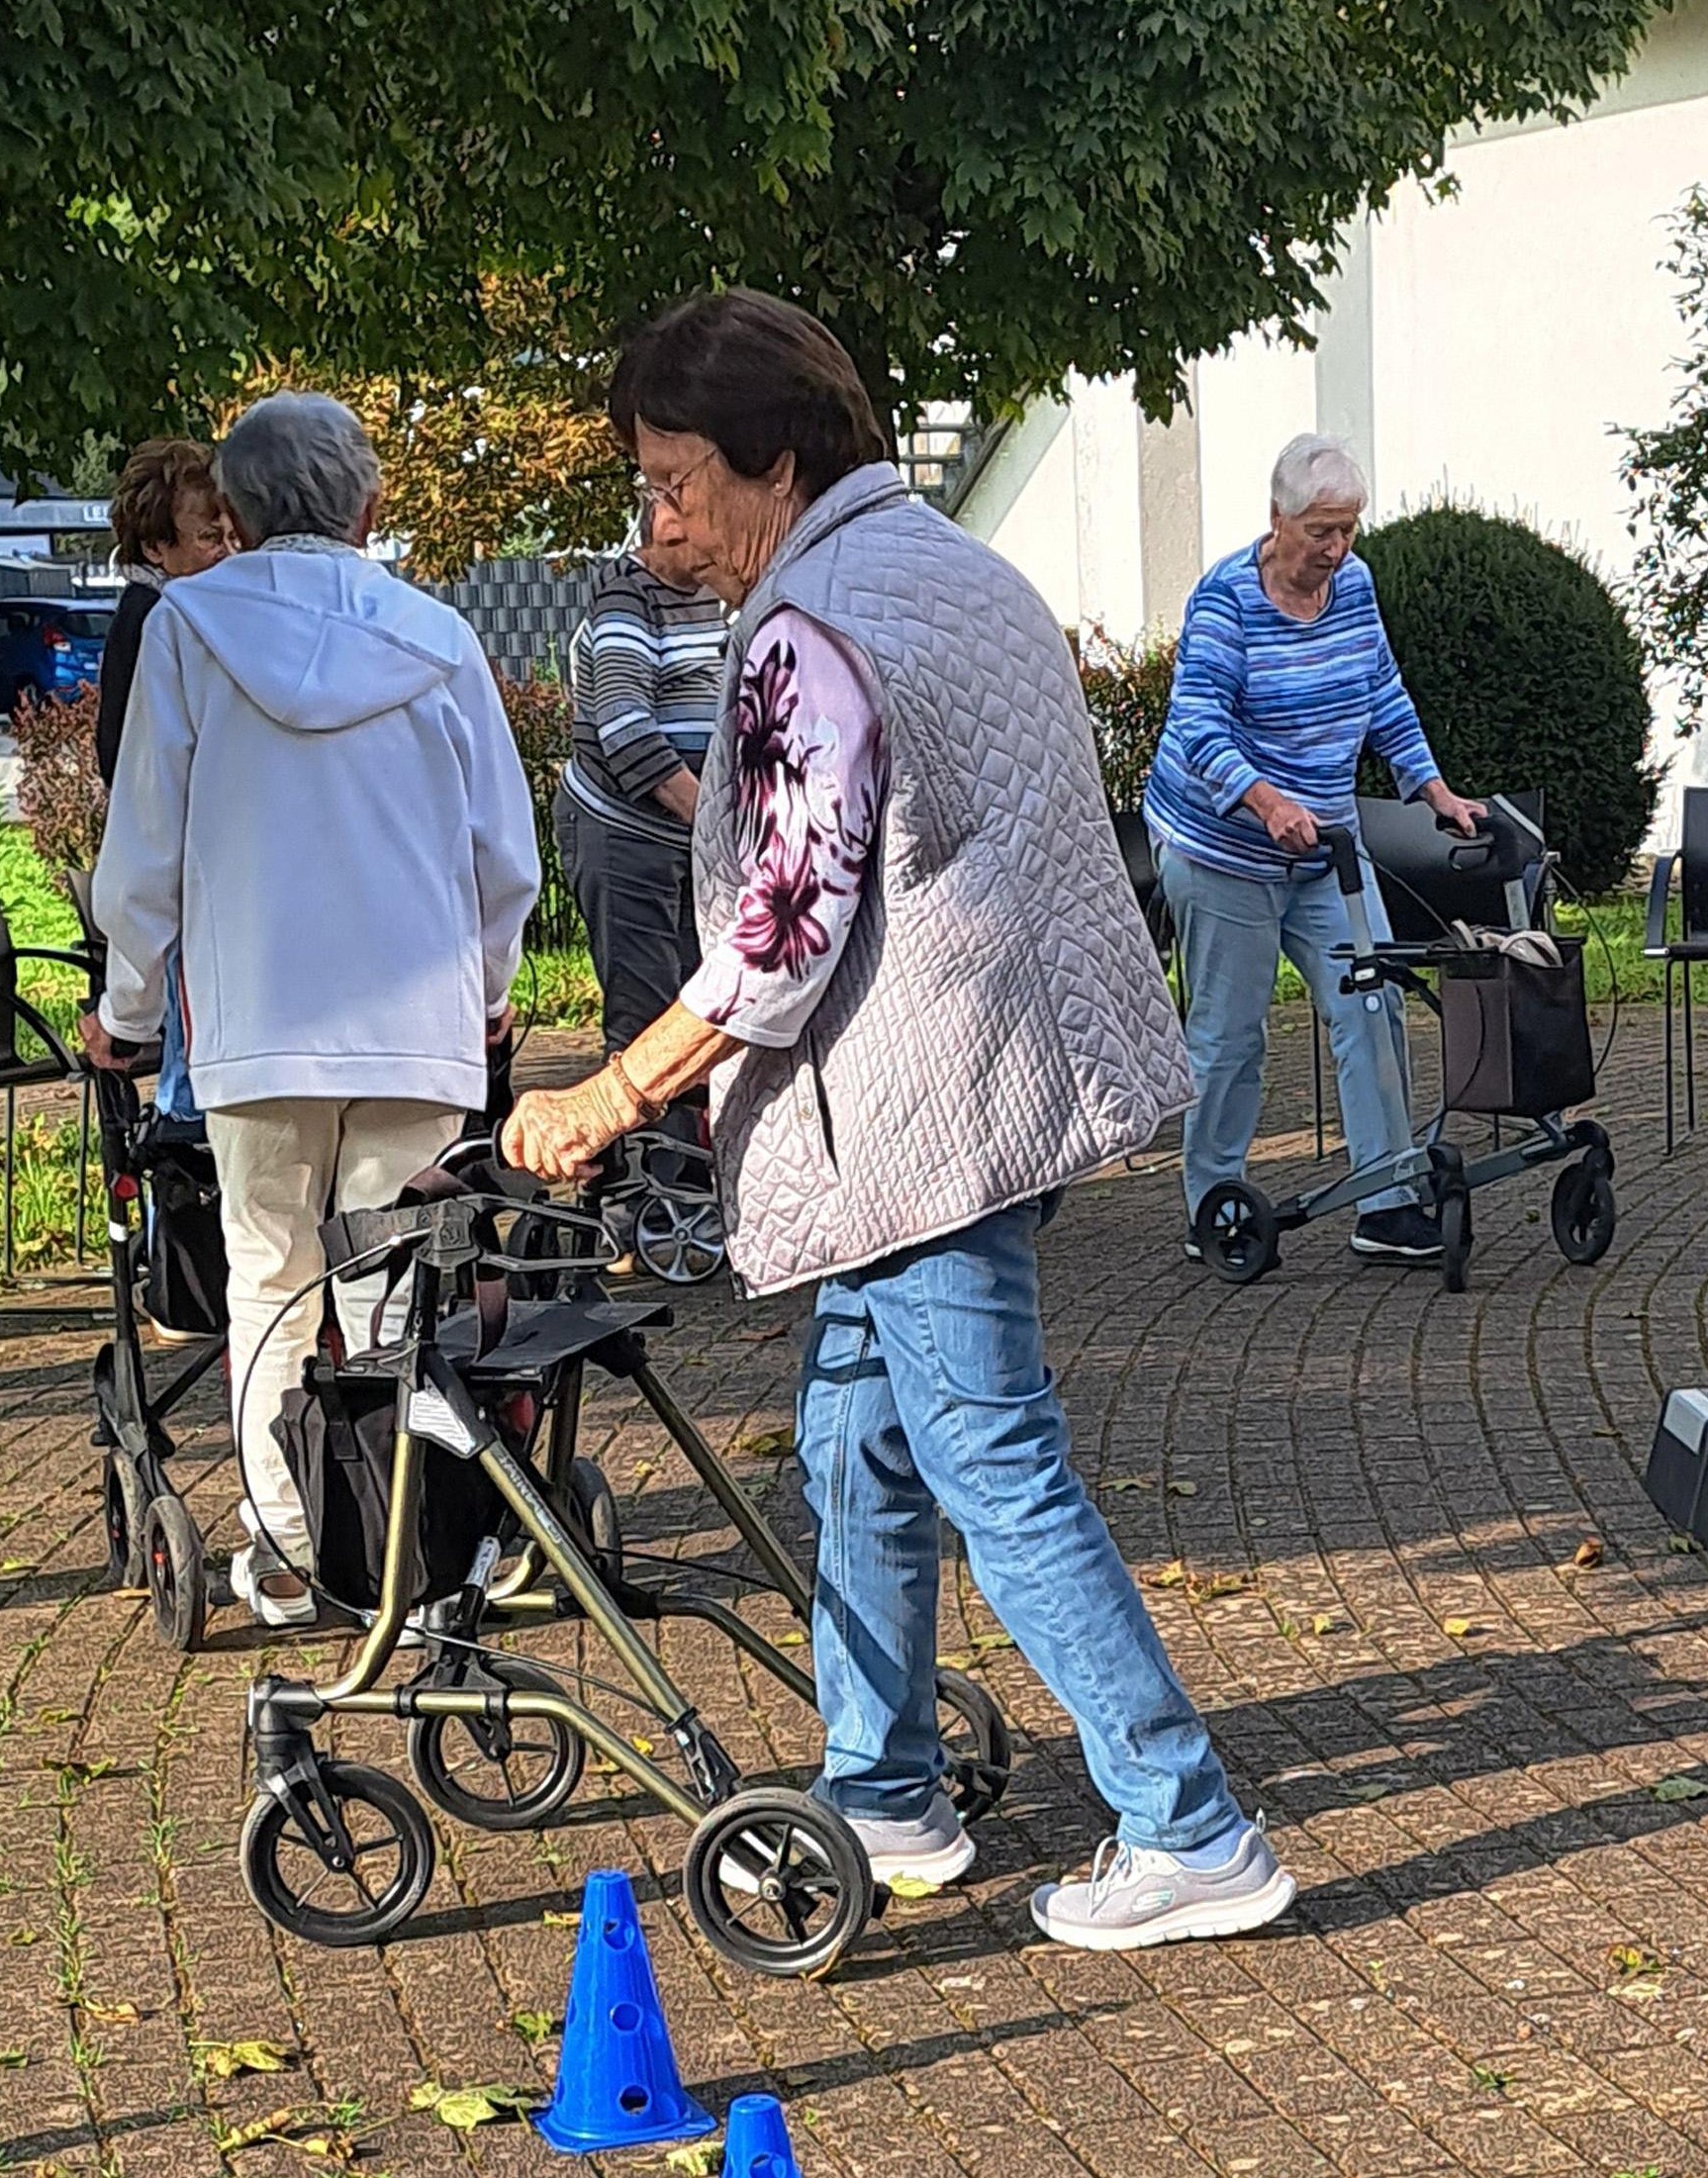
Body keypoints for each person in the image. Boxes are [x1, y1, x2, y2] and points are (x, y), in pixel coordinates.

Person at [498, 289, 1292, 1950]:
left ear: (770, 465)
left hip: (920, 1111)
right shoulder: (947, 567)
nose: (653, 526)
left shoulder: (809, 631)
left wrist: (606, 1093)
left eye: (670, 480)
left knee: (989, 1459)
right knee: (857, 1439)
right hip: (1001, 1073)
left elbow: (784, 927)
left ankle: (1187, 1824)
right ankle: (879, 1790)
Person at [84, 393, 540, 1631]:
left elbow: (142, 860)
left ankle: (291, 1551)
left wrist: (126, 1010)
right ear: (373, 508)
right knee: (405, 1286)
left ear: (228, 513)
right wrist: (489, 991)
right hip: (415, 1024)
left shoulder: (186, 629)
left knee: (272, 1280)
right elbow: (505, 851)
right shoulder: (438, 636)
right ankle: (424, 1539)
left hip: (259, 1029)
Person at [1144, 434, 1490, 1266]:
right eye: (1320, 532)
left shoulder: (1354, 587)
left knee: (1371, 1008)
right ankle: (1214, 1205)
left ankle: (1386, 1199)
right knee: (1231, 1037)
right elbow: (1196, 725)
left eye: (1348, 530)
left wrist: (1432, 789)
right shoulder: (1226, 600)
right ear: (1277, 519)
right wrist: (1264, 801)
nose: (1335, 550)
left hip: (1325, 846)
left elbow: (1382, 691)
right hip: (1223, 844)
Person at [554, 538, 733, 1150]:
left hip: (689, 837)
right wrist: (716, 824)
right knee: (647, 1022)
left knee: (702, 1007)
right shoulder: (627, 596)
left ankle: (690, 1193)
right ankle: (651, 1208)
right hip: (624, 831)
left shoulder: (719, 592)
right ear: (661, 523)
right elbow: (626, 731)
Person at [89, 439, 235, 1129]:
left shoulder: (185, 617)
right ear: (155, 548)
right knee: (189, 1074)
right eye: (208, 537)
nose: (226, 552)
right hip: (185, 888)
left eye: (231, 533)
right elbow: (126, 765)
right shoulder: (156, 626)